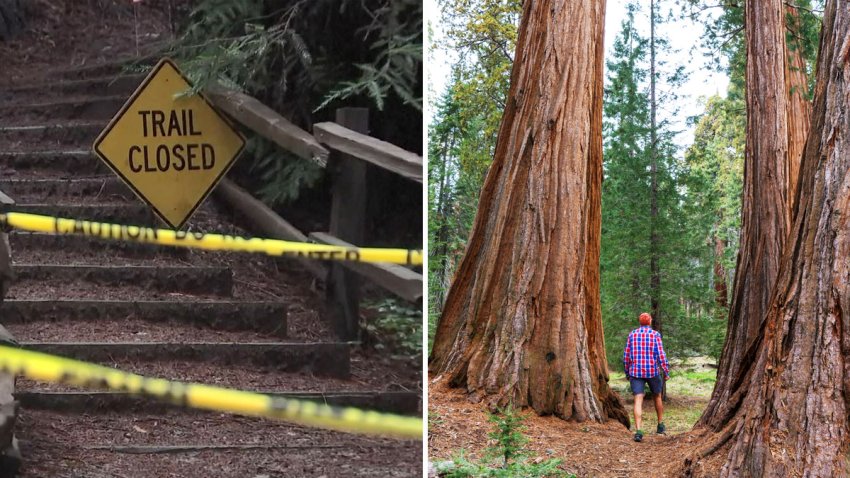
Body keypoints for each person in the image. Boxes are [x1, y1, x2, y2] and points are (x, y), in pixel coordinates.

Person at [623, 312, 669, 442]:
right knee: (657, 396)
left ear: (640, 322)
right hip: (652, 372)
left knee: (638, 399)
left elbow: (626, 356)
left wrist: (627, 372)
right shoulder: (655, 335)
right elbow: (661, 355)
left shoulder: (632, 335)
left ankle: (638, 431)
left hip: (636, 372)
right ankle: (660, 425)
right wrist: (666, 371)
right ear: (649, 322)